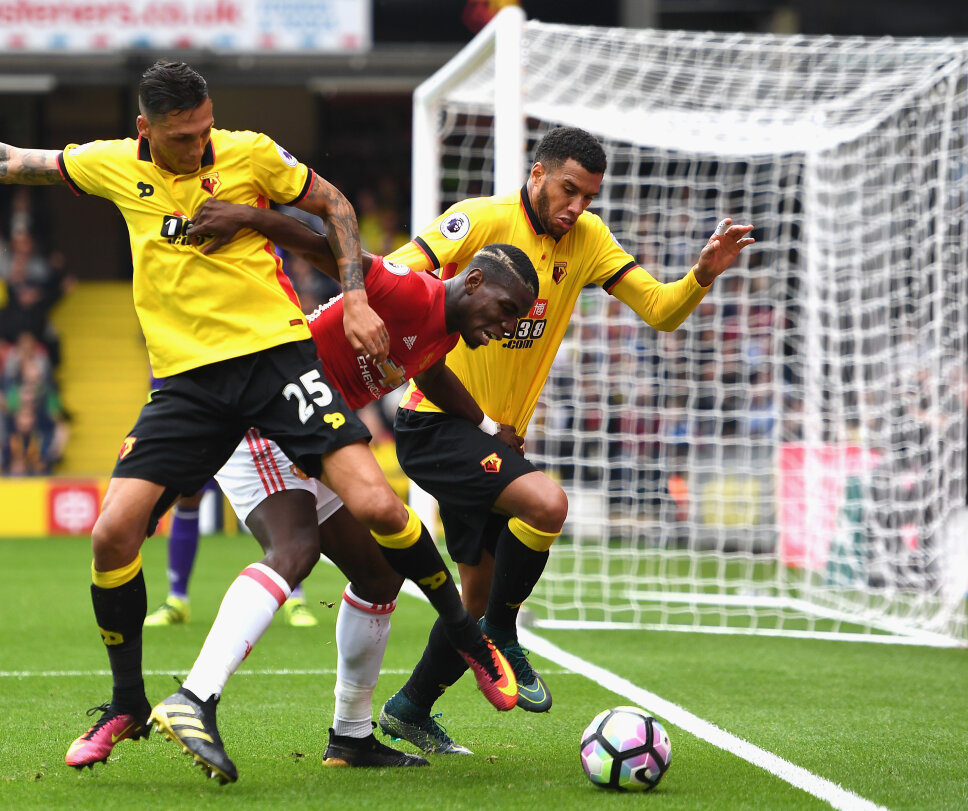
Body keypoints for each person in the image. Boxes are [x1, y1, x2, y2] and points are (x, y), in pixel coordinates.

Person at [0, 60, 513, 783]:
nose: (199, 147)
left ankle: (466, 636)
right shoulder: (110, 167)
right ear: (144, 131)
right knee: (110, 532)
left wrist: (351, 296)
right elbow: (4, 160)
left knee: (380, 503)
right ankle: (128, 702)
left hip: (275, 357)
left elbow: (336, 208)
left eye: (203, 129)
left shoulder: (249, 152)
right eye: (182, 138)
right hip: (188, 382)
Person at [376, 126, 755, 755]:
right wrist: (403, 338)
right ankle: (504, 629)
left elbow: (659, 310)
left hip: (500, 439)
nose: (576, 205)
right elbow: (392, 274)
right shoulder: (478, 219)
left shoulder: (589, 239)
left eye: (588, 195)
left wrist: (701, 274)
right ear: (537, 176)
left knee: (475, 592)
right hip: (435, 420)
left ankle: (411, 706)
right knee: (548, 505)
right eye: (568, 190)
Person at [144, 200, 537, 780]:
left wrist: (484, 429)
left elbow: (427, 371)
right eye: (505, 310)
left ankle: (351, 737)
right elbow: (321, 246)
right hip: (267, 422)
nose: (507, 327)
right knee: (295, 551)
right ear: (471, 279)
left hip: (317, 440)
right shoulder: (406, 291)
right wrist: (248, 221)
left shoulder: (443, 332)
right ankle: (196, 697)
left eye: (515, 319)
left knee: (380, 574)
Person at [144, 484, 319, 628]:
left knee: (276, 495)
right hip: (207, 441)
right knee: (188, 494)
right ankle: (177, 599)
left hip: (247, 443)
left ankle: (294, 599)